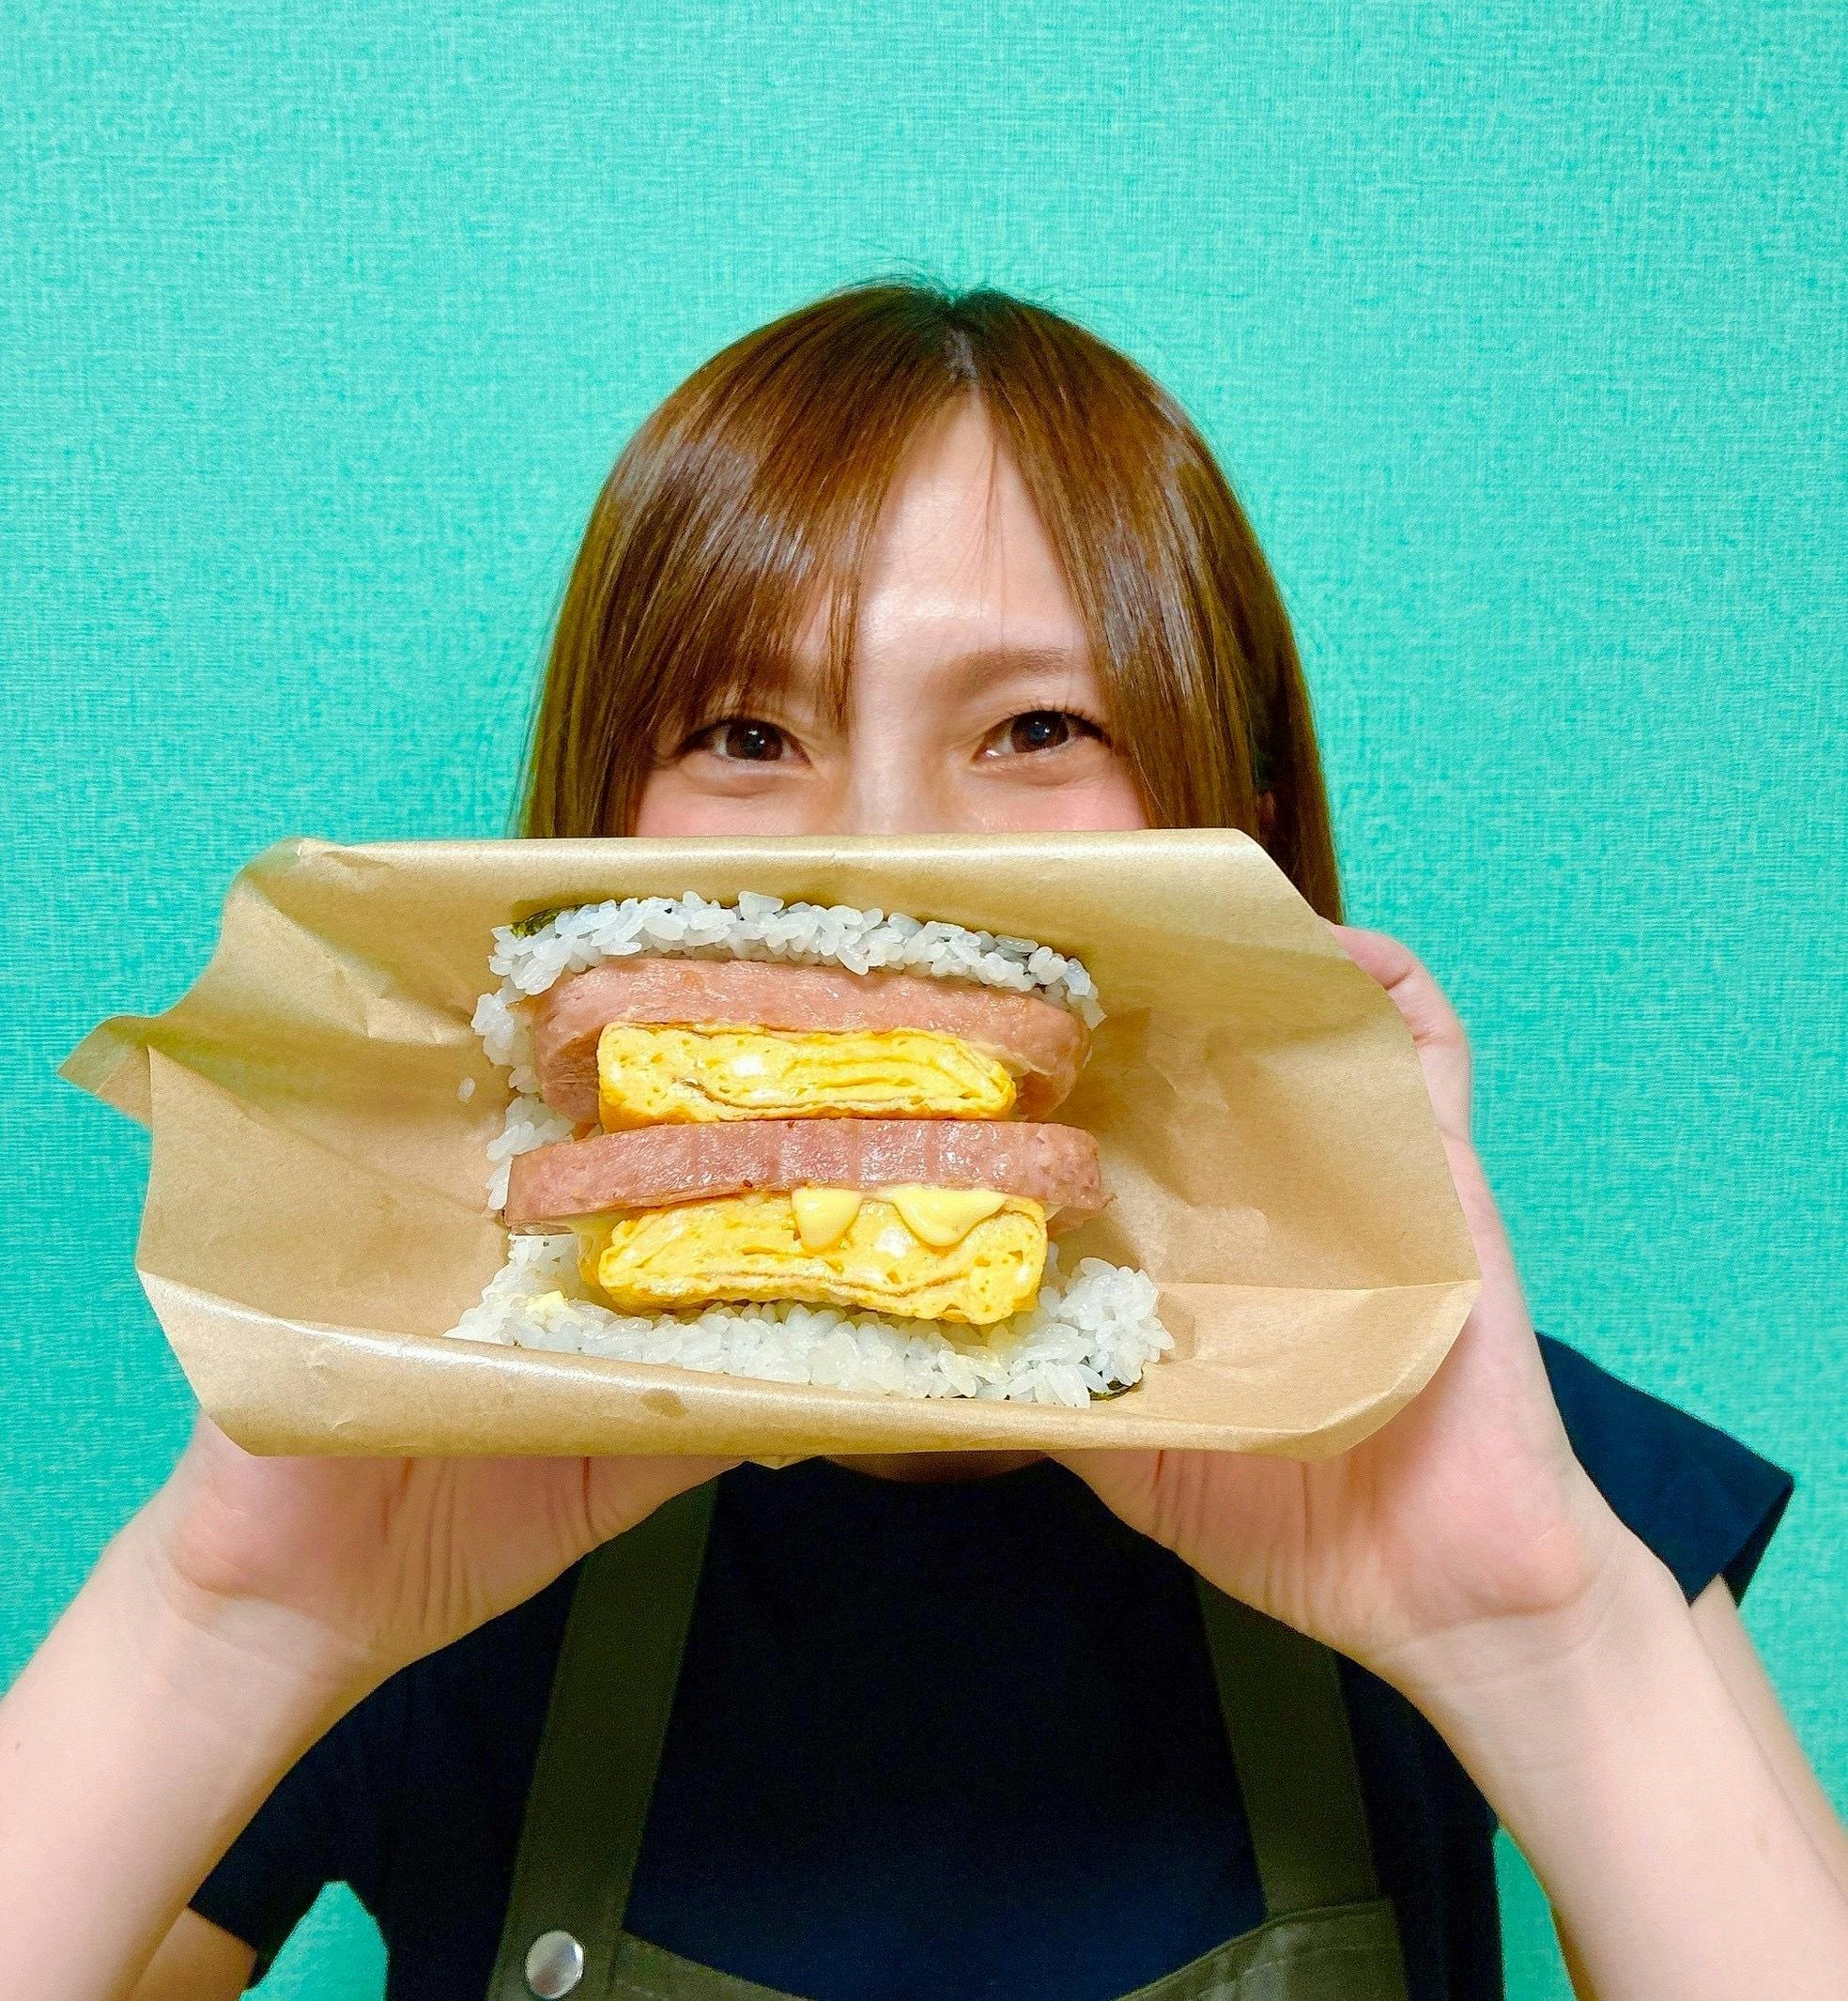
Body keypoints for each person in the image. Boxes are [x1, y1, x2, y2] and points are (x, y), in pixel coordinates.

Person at [3, 281, 1843, 2001]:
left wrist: (1539, 1631)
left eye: (1039, 727)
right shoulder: (414, 1481)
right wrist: (224, 1619)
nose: (877, 853)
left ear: (1247, 832)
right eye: (744, 732)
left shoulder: (1467, 1448)